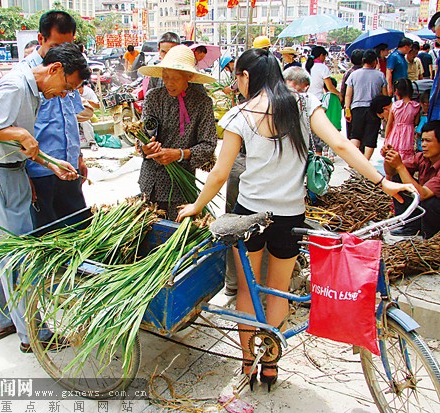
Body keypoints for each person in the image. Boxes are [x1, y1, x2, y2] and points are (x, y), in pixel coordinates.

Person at [176, 48, 415, 391]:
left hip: (248, 215)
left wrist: (196, 207)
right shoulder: (304, 104)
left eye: (238, 77)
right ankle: (270, 363)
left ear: (246, 77)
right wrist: (384, 182)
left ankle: (247, 363)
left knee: (247, 289)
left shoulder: (239, 114)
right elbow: (343, 146)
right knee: (278, 291)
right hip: (290, 216)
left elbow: (218, 174)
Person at [0, 43, 88, 353]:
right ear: (55, 69)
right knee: (19, 257)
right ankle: (33, 333)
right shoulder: (15, 86)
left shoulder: (32, 91)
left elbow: (25, 144)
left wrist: (51, 164)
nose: (64, 95)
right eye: (67, 87)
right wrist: (17, 134)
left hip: (9, 173)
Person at [23, 11, 90, 229]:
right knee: (48, 237)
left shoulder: (70, 70)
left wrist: (78, 156)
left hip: (69, 169)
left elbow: (72, 118)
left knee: (79, 231)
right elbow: (15, 131)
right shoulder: (25, 77)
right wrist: (24, 175)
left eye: (68, 47)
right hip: (39, 172)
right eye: (55, 47)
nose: (63, 55)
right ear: (40, 39)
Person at [137, 45, 217, 220]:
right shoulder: (153, 97)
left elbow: (209, 144)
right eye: (165, 78)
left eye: (175, 78)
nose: (169, 83)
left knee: (175, 235)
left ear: (189, 77)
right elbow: (142, 135)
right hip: (150, 182)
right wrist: (146, 147)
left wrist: (180, 154)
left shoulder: (202, 103)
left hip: (180, 186)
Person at [382, 120, 440, 239]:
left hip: (434, 208)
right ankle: (411, 225)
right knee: (398, 179)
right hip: (425, 200)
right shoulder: (422, 157)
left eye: (428, 141)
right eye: (422, 140)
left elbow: (423, 194)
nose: (423, 144)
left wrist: (399, 166)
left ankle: (430, 235)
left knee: (431, 202)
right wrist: (389, 157)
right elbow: (391, 172)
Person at [345, 49, 388, 160]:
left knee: (355, 135)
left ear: (363, 60)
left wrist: (347, 110)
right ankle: (365, 163)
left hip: (357, 109)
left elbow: (348, 95)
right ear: (375, 61)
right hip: (373, 110)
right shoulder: (380, 76)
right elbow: (385, 96)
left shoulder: (354, 75)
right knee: (371, 137)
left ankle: (353, 161)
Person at [385, 79, 420, 162]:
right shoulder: (416, 106)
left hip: (395, 133)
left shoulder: (395, 106)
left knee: (392, 154)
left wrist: (386, 138)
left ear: (397, 91)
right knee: (406, 158)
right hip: (408, 134)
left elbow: (389, 124)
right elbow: (416, 122)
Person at [77, 80, 99, 151]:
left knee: (85, 122)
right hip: (75, 113)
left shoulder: (88, 92)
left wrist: (86, 101)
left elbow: (98, 105)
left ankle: (92, 142)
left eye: (79, 88)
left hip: (87, 114)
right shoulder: (71, 92)